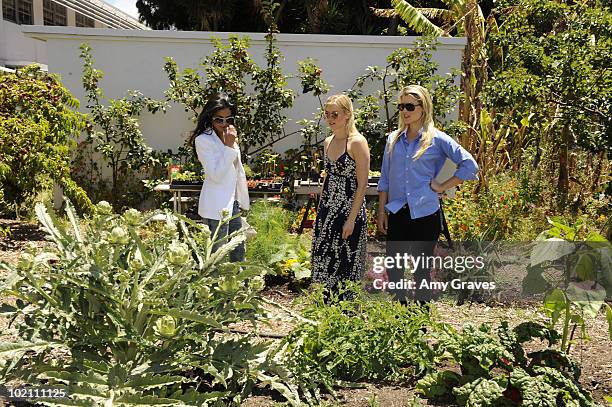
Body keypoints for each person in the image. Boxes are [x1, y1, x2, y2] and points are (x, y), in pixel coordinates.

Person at [376, 85, 478, 303]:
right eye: (401, 106)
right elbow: (385, 178)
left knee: (421, 272)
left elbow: (470, 166)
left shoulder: (437, 139)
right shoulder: (392, 140)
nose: (404, 111)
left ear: (423, 108)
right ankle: (399, 319)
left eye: (410, 106)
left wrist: (442, 186)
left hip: (425, 214)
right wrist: (381, 212)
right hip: (398, 213)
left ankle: (420, 322)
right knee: (394, 270)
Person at [311, 94, 370, 299]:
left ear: (347, 114)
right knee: (324, 259)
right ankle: (325, 312)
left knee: (346, 264)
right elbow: (327, 178)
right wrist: (320, 213)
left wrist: (351, 220)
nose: (330, 118)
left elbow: (363, 185)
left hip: (348, 211)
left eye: (335, 114)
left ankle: (348, 317)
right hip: (328, 211)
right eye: (327, 114)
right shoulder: (328, 142)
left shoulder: (357, 143)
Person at [190, 93, 249, 262]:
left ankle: (240, 287)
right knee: (217, 255)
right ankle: (214, 287)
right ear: (210, 118)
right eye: (219, 119)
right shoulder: (203, 140)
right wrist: (229, 146)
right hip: (216, 206)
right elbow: (215, 175)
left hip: (232, 203)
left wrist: (241, 198)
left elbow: (237, 171)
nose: (224, 124)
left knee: (239, 251)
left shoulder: (230, 136)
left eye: (228, 119)